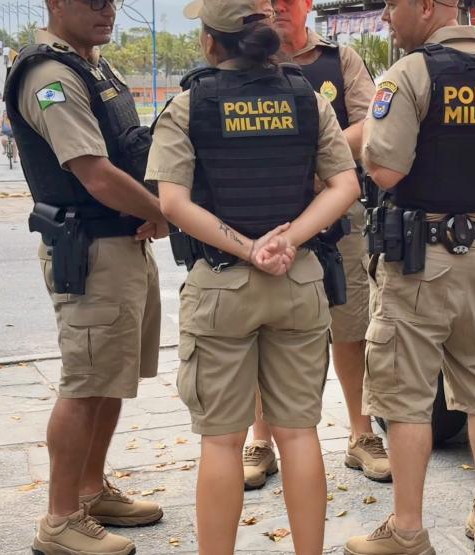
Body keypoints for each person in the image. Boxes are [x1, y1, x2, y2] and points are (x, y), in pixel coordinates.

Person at [147, 1, 360, 553]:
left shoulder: (189, 105)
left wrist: (248, 248)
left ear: (209, 42)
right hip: (299, 282)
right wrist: (287, 241)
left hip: (220, 287)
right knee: (298, 434)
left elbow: (171, 201)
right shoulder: (307, 99)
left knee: (221, 443)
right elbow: (345, 186)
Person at [345, 1, 475, 554]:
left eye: (392, 6)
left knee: (406, 397)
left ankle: (407, 531)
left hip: (417, 261)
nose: (386, 17)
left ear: (426, 7)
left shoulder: (409, 73)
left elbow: (386, 169)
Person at [4, 0, 168, 553]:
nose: (108, 10)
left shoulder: (94, 65)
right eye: (92, 0)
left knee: (111, 377)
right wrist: (162, 212)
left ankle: (90, 491)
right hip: (91, 247)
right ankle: (59, 521)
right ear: (54, 3)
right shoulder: (50, 76)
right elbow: (94, 174)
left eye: (112, 0)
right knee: (84, 383)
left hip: (121, 244)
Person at [241, 0, 387, 491]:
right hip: (266, 223)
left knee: (350, 328)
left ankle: (361, 433)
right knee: (264, 328)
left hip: (338, 219)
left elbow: (371, 126)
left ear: (307, 6)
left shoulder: (340, 61)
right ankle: (260, 440)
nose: (278, 7)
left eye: (289, 0)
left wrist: (311, 151)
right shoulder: (243, 60)